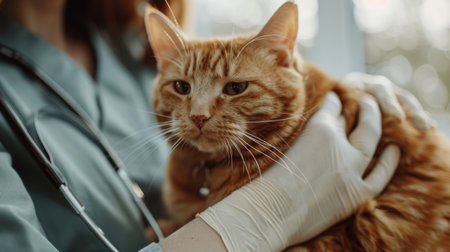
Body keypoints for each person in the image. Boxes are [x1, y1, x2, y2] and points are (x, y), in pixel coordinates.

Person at [0, 0, 431, 252]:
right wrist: (259, 217)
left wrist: (330, 94)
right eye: (184, 89)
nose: (201, 113)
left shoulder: (128, 42)